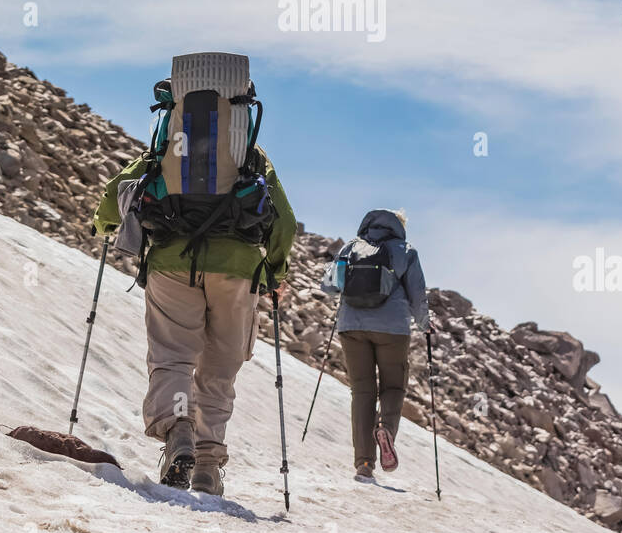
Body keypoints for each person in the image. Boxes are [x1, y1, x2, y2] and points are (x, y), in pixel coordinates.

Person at [92, 60, 296, 496]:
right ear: (240, 110)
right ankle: (206, 464)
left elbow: (116, 194)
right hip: (236, 270)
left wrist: (104, 226)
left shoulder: (167, 144)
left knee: (173, 356)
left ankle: (177, 429)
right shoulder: (252, 158)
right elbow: (286, 224)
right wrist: (273, 271)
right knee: (219, 368)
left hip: (171, 263)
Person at [331, 208, 428, 482]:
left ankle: (363, 462)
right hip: (393, 329)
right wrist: (424, 323)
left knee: (362, 391)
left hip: (352, 326)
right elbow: (417, 293)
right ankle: (385, 428)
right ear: (399, 226)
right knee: (393, 386)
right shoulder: (405, 250)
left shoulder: (352, 247)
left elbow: (331, 284)